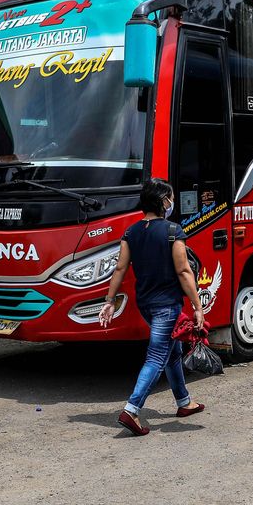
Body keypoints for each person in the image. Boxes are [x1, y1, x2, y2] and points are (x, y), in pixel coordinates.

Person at [99, 178, 206, 436]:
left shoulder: (131, 232)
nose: (171, 203)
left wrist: (109, 301)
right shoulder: (172, 231)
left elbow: (120, 269)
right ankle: (132, 409)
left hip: (145, 303)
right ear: (162, 202)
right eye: (169, 198)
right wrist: (197, 306)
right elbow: (183, 270)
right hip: (166, 305)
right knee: (157, 356)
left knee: (172, 352)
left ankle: (184, 402)